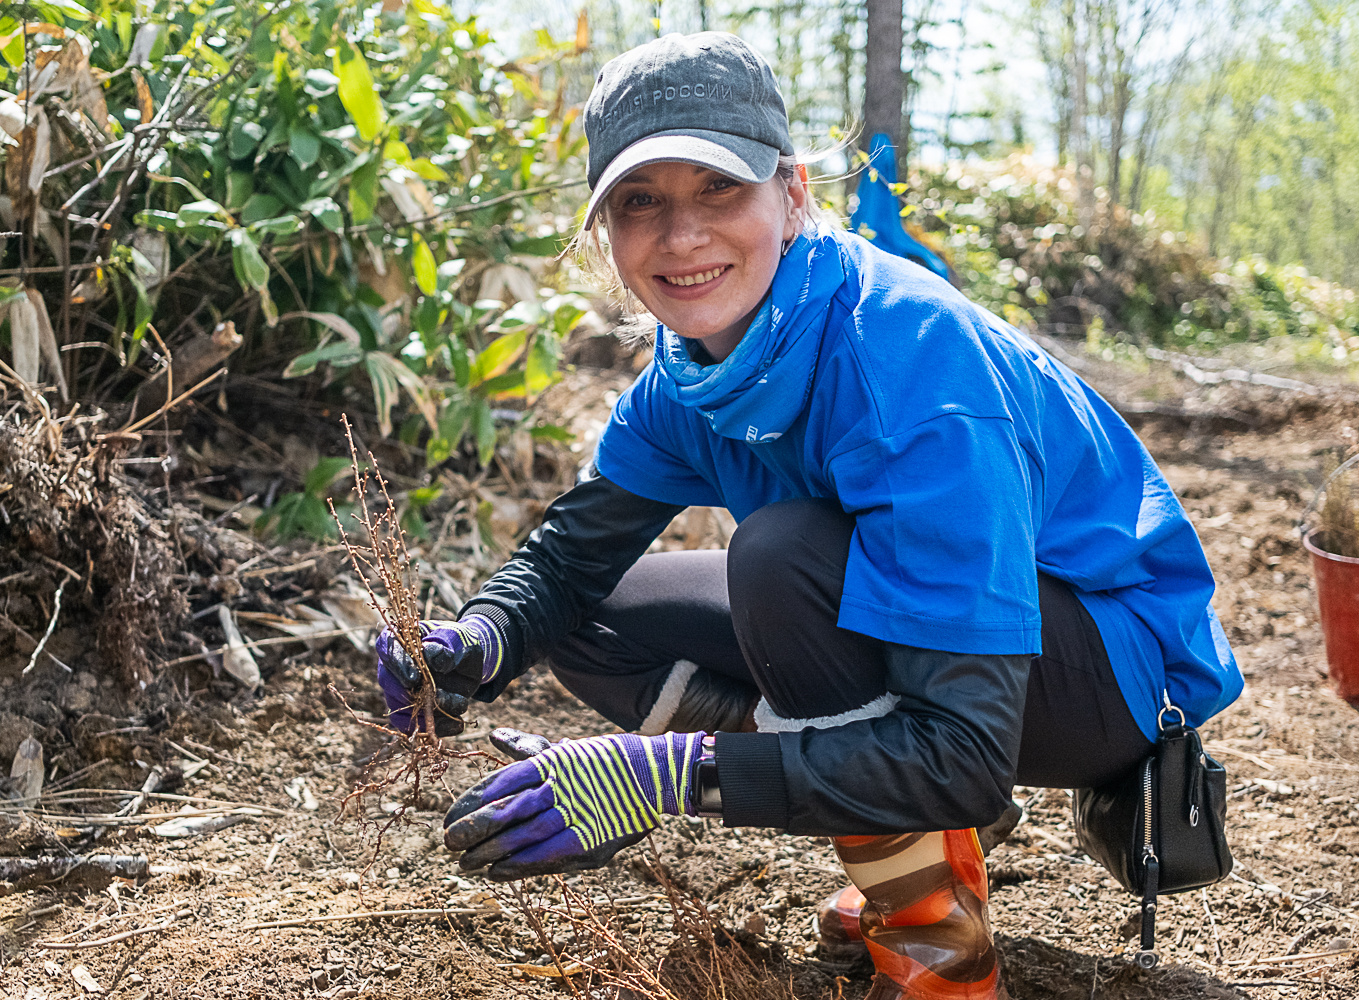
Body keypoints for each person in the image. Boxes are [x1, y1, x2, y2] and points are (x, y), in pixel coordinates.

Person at [374, 31, 1241, 1000]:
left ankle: (940, 954)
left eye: (718, 189)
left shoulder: (908, 367)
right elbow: (570, 558)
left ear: (790, 195)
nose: (681, 234)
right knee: (594, 617)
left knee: (781, 560)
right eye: (640, 201)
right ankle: (904, 832)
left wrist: (670, 774)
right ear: (606, 236)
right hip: (950, 642)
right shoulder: (690, 375)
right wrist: (477, 642)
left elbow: (967, 747)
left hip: (1113, 671)